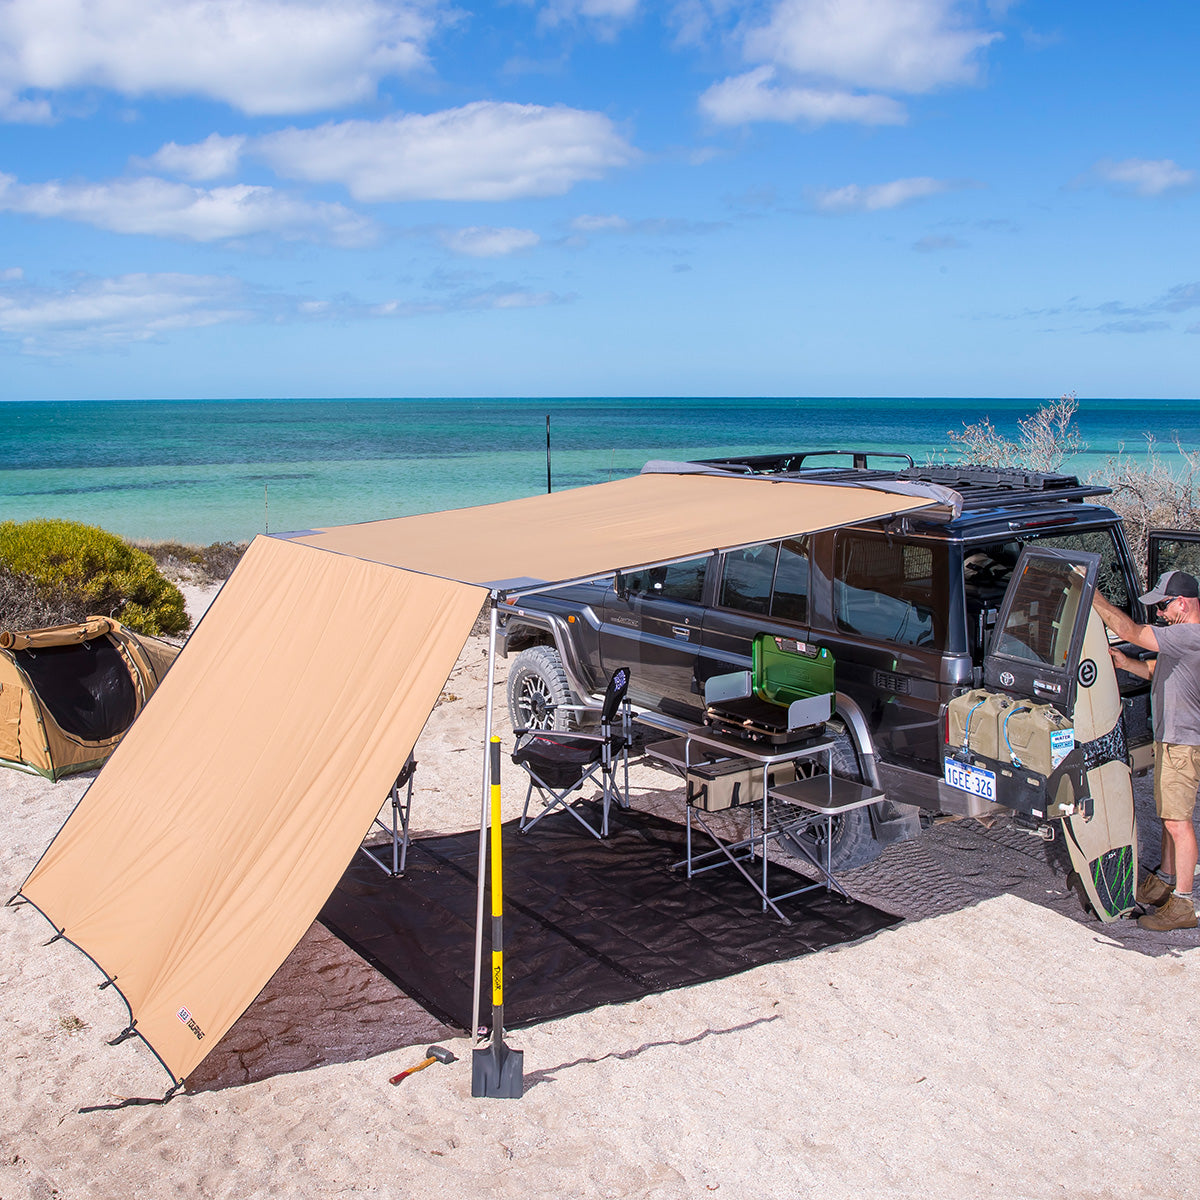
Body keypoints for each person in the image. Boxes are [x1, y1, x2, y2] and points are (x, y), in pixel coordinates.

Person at [1093, 570, 1200, 931]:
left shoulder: (1189, 634)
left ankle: (1184, 904)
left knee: (1177, 822)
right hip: (1174, 740)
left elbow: (1130, 633)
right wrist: (1126, 664)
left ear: (1182, 603)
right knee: (1170, 814)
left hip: (1184, 743)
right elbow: (1159, 671)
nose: (1159, 614)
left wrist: (1092, 594)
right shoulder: (1182, 639)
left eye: (1164, 607)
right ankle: (1166, 881)